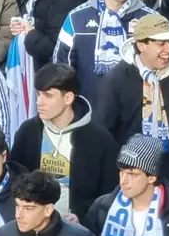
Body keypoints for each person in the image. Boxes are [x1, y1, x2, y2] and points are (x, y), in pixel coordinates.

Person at [94, 13, 169, 191]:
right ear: (141, 45)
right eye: (161, 43)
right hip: (130, 176)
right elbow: (103, 131)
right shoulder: (117, 79)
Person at [10, 63, 119, 220]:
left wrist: (81, 215)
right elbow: (15, 177)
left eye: (48, 95)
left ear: (68, 98)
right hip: (34, 224)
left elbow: (109, 194)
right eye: (38, 94)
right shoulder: (28, 131)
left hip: (79, 230)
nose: (39, 102)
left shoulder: (100, 139)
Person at [52, 0, 156, 106]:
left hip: (136, 117)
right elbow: (60, 69)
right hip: (90, 116)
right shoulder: (76, 18)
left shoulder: (151, 20)